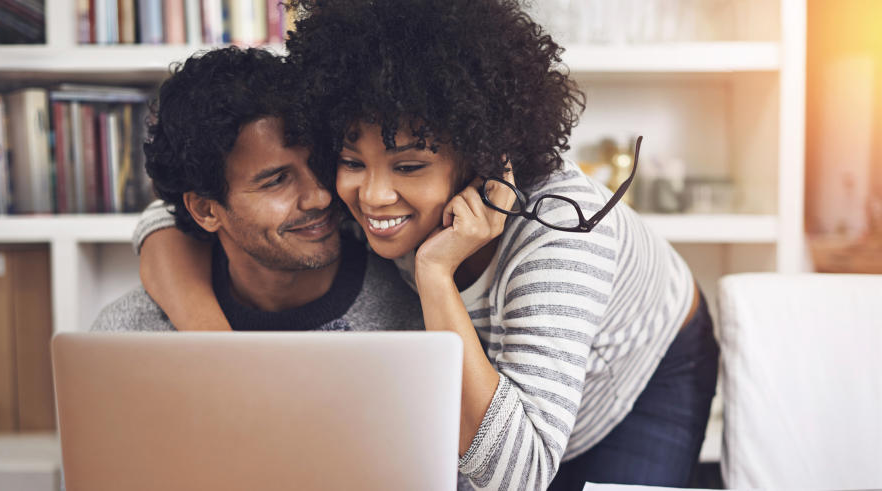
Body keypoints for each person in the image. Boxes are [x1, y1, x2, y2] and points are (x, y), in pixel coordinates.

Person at [136, 1, 720, 490]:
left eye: (410, 165)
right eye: (350, 161)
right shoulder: (338, 191)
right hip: (509, 413)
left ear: (479, 157)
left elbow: (517, 476)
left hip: (642, 372)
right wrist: (216, 354)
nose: (374, 196)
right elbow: (165, 219)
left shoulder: (561, 233)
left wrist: (435, 274)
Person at [91, 45, 423, 337]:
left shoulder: (417, 310)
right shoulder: (130, 336)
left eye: (321, 161)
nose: (320, 196)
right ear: (207, 210)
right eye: (276, 180)